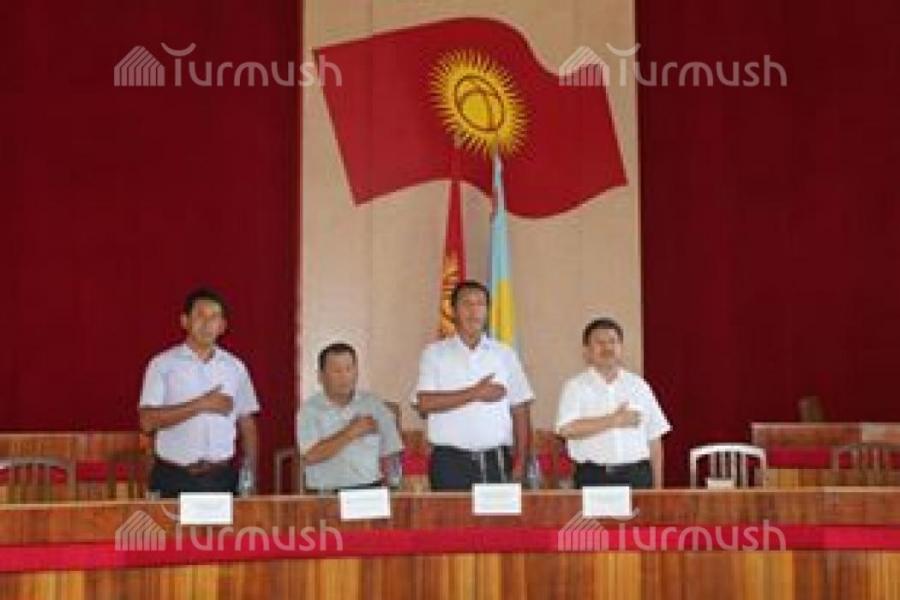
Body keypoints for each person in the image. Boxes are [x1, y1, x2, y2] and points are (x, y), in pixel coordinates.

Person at [138, 288, 259, 498]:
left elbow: (247, 424)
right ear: (184, 321)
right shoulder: (162, 364)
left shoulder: (235, 367)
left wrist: (251, 476)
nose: (207, 323)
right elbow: (147, 421)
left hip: (221, 478)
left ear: (222, 326)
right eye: (200, 316)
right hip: (174, 476)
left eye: (214, 317)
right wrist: (202, 404)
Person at [414, 280, 534, 490]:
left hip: (496, 460)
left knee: (497, 514)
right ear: (453, 311)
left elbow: (520, 410)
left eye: (480, 304)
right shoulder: (435, 353)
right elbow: (424, 403)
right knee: (450, 513)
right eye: (466, 303)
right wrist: (476, 393)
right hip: (449, 463)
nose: (474, 310)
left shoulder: (504, 354)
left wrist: (521, 463)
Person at [555, 317, 670, 489]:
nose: (607, 348)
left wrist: (658, 489)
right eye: (599, 343)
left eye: (613, 342)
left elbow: (654, 439)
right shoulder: (575, 387)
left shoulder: (639, 386)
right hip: (594, 477)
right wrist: (614, 420)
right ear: (586, 351)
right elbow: (566, 429)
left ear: (621, 347)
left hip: (637, 476)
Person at [297, 342, 404, 493]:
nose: (344, 377)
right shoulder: (310, 410)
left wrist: (394, 488)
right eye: (337, 371)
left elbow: (391, 452)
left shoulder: (374, 405)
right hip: (326, 493)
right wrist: (351, 432)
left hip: (370, 490)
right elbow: (310, 456)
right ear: (321, 376)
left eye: (349, 369)